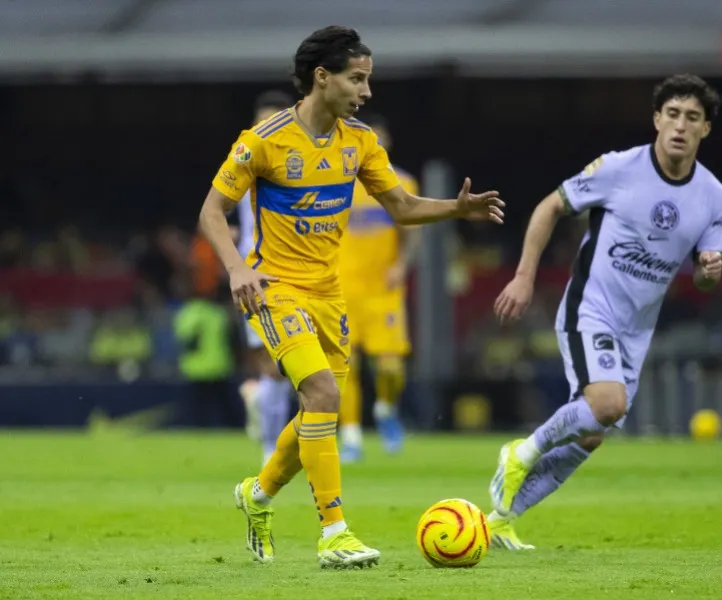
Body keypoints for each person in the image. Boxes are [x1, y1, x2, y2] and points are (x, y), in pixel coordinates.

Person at [197, 25, 504, 568]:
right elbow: (211, 212)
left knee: (318, 409)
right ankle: (335, 533)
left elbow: (403, 208)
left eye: (368, 80)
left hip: (329, 294)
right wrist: (237, 269)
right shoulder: (263, 139)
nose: (366, 91)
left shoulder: (359, 142)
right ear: (323, 77)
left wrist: (457, 210)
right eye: (357, 79)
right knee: (321, 394)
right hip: (276, 290)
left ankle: (257, 495)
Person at [485, 74, 722, 550]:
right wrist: (524, 276)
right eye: (672, 114)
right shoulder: (619, 168)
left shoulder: (714, 196)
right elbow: (548, 206)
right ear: (657, 119)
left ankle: (499, 518)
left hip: (637, 330)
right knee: (607, 405)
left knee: (592, 434)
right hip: (589, 309)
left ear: (705, 130)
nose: (680, 125)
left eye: (692, 118)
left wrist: (709, 271)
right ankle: (522, 450)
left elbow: (704, 275)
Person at [338, 113, 419, 461]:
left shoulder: (401, 184)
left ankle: (385, 410)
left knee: (389, 367)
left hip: (382, 290)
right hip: (340, 288)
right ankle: (351, 434)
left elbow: (412, 231)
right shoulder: (334, 181)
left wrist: (401, 265)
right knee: (346, 366)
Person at [233, 90, 297, 465]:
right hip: (254, 273)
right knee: (269, 361)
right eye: (262, 123)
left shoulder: (299, 161)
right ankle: (271, 446)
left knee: (284, 363)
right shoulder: (243, 160)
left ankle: (265, 413)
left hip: (295, 272)